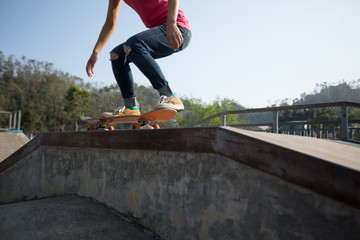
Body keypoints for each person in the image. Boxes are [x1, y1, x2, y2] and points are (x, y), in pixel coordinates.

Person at [86, 0, 191, 117]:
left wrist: (171, 23)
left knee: (134, 44)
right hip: (161, 31)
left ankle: (169, 96)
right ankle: (131, 107)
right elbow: (110, 23)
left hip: (178, 28)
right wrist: (96, 51)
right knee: (117, 55)